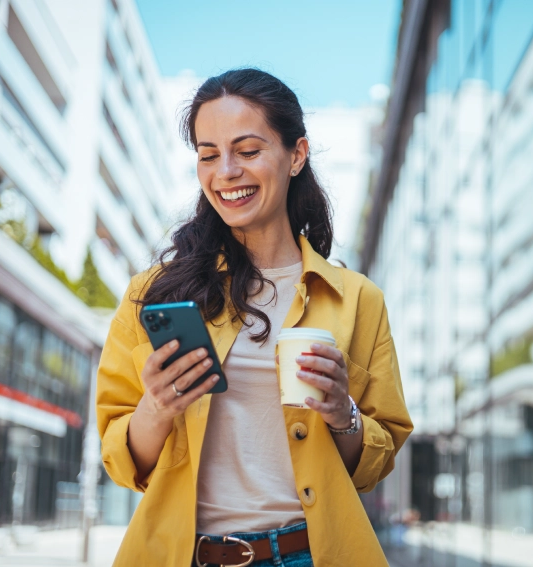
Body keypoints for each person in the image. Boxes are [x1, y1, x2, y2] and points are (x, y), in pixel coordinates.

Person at [96, 68, 413, 567]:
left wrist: (342, 413)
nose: (225, 171)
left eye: (247, 151)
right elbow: (120, 459)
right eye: (207, 155)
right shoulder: (154, 294)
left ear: (296, 155)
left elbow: (376, 460)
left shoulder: (357, 299)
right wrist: (156, 407)